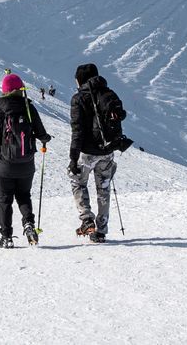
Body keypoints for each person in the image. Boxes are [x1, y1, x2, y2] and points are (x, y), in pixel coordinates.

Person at [0, 75, 50, 248]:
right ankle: (29, 224)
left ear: (5, 90)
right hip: (26, 164)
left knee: (5, 200)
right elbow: (41, 133)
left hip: (4, 166)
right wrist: (46, 139)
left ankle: (6, 237)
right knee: (24, 195)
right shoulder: (28, 107)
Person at [68, 64, 131, 243]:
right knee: (103, 189)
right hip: (107, 150)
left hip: (87, 153)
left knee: (77, 180)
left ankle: (87, 219)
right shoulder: (109, 94)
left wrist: (73, 158)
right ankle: (101, 230)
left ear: (80, 79)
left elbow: (77, 131)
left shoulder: (79, 98)